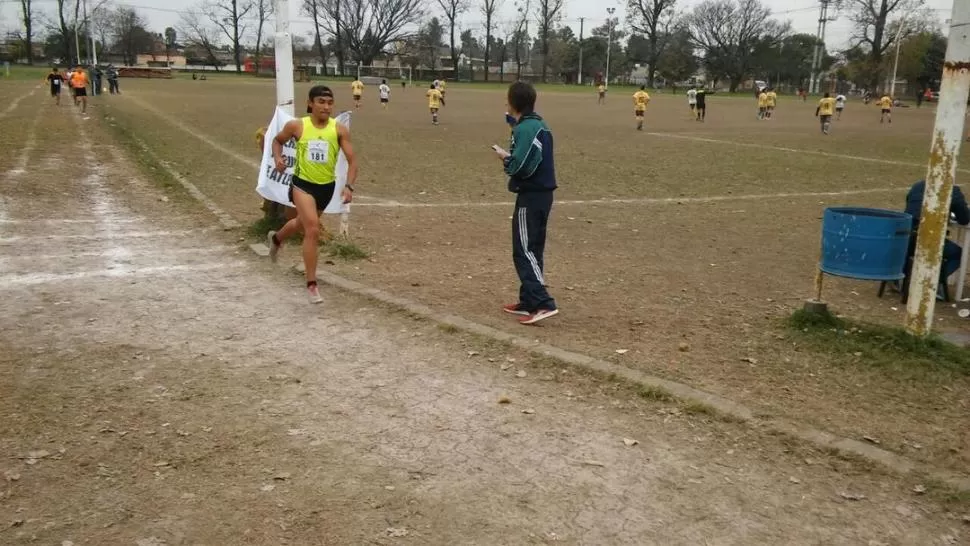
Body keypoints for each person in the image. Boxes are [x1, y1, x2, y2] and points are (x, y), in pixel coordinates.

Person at [267, 85, 358, 304]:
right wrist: (278, 158)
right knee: (313, 229)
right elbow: (277, 141)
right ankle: (311, 284)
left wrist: (349, 186)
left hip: (326, 188)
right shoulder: (297, 126)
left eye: (329, 103)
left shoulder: (338, 130)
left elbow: (353, 160)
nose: (326, 107)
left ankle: (276, 238)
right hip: (302, 185)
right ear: (310, 104)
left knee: (301, 224)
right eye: (321, 102)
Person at [493, 81, 558, 325]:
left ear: (514, 102)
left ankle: (542, 302)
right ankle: (529, 299)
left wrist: (505, 158)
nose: (505, 103)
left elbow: (522, 166)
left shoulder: (527, 129)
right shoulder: (537, 124)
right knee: (533, 248)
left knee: (524, 250)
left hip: (531, 196)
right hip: (542, 195)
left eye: (507, 99)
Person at [904, 180, 970, 299]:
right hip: (929, 240)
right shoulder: (952, 190)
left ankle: (902, 279)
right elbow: (964, 219)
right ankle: (932, 283)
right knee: (958, 254)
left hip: (906, 238)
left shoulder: (917, 185)